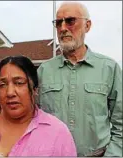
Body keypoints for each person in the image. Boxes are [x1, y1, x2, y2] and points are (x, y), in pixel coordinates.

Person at [37, 2, 122, 157]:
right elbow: (32, 120)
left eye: (70, 21)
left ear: (87, 26)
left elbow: (120, 125)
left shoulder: (109, 69)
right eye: (58, 23)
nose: (63, 28)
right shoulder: (43, 71)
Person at [0, 56, 77, 156]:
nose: (10, 92)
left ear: (35, 89)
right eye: (3, 84)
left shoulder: (57, 132)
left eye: (19, 83)